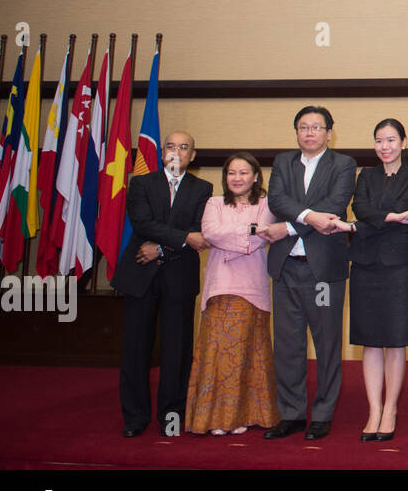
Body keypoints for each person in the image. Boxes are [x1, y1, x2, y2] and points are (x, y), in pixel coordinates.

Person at [263, 106, 356, 442]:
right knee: (287, 344)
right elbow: (277, 199)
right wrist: (305, 217)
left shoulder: (343, 164)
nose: (309, 133)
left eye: (316, 127)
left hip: (323, 271)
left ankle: (322, 413)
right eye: (303, 127)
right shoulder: (283, 162)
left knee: (327, 342)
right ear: (296, 132)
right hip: (286, 266)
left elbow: (335, 205)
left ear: (329, 132)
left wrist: (288, 226)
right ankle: (291, 413)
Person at [113, 131, 211, 437]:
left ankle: (172, 414)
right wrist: (180, 238)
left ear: (192, 156)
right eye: (171, 145)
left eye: (184, 147)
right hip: (140, 275)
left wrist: (161, 247)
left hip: (179, 276)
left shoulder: (203, 189)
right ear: (163, 151)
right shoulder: (141, 183)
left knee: (177, 350)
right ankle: (135, 416)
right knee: (135, 349)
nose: (176, 151)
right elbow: (142, 223)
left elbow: (199, 231)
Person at [185, 152, 284, 435]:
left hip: (253, 287)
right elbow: (211, 233)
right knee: (216, 353)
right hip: (219, 286)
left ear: (255, 177)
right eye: (231, 173)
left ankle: (244, 416)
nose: (237, 178)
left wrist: (232, 235)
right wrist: (247, 231)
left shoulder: (267, 204)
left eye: (243, 173)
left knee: (247, 353)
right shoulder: (213, 202)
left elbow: (260, 236)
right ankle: (215, 419)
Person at [337, 119, 408, 443]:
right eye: (379, 141)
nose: (385, 147)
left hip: (400, 266)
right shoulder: (365, 175)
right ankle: (373, 409)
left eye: (391, 140)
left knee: (396, 339)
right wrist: (390, 217)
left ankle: (390, 409)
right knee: (369, 340)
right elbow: (360, 207)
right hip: (365, 263)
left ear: (403, 142)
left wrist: (366, 220)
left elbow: (405, 210)